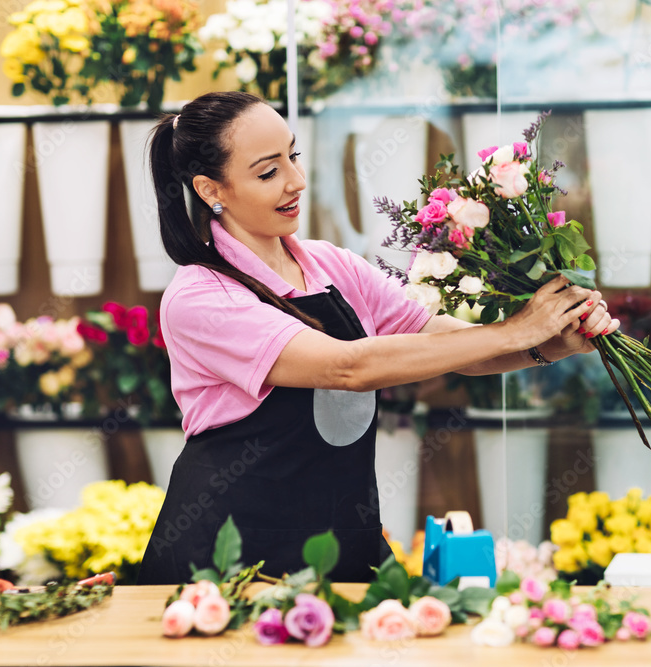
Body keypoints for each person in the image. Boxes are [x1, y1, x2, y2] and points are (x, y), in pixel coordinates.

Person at [137, 91, 617, 584]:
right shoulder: (200, 298)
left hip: (344, 540)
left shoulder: (330, 264)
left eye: (293, 156)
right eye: (268, 172)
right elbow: (347, 367)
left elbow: (450, 346)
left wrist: (545, 345)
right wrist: (517, 328)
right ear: (210, 189)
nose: (296, 181)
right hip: (231, 561)